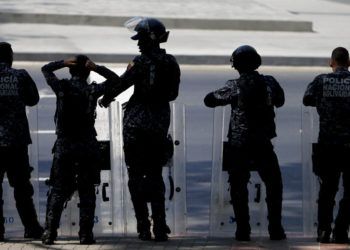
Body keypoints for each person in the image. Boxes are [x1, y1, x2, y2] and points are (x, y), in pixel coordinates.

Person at [99, 17, 180, 241]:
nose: (138, 43)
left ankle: (143, 227)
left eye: (141, 39)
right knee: (155, 175)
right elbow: (173, 94)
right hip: (158, 126)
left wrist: (105, 98)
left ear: (151, 39)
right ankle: (161, 226)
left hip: (135, 126)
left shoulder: (139, 62)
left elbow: (121, 83)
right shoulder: (171, 62)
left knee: (135, 176)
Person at [204, 45, 286, 241]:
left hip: (239, 145)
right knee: (274, 185)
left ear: (237, 65)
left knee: (238, 187)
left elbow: (209, 100)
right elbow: (281, 100)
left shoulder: (234, 85)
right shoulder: (269, 82)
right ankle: (275, 229)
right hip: (263, 144)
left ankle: (243, 230)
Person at [41, 55, 119, 245]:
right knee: (86, 191)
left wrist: (62, 62)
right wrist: (97, 67)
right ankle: (85, 234)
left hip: (65, 145)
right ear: (87, 71)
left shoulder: (62, 88)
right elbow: (116, 80)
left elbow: (45, 69)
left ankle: (50, 233)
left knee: (58, 190)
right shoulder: (92, 90)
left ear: (70, 70)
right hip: (87, 146)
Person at [303, 47, 350, 244]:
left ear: (331, 62)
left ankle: (323, 230)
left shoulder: (321, 80)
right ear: (348, 63)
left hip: (328, 145)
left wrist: (324, 103)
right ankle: (341, 229)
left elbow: (307, 99)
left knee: (327, 191)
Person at [0, 42, 43, 241]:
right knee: (22, 188)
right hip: (16, 141)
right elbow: (33, 99)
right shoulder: (21, 75)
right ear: (10, 57)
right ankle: (31, 229)